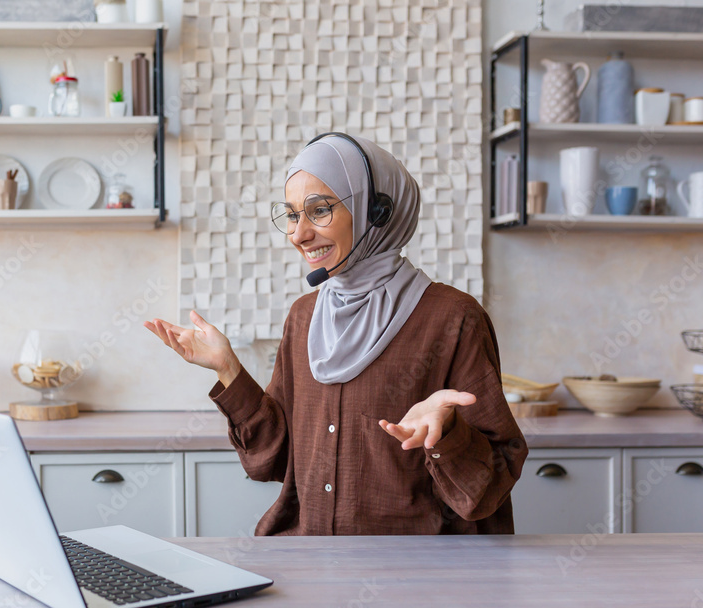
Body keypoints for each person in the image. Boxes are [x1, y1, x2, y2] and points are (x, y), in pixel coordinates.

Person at [145, 133, 527, 536]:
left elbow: (491, 487)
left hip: (418, 574)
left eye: (319, 210)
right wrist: (228, 370)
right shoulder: (304, 316)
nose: (299, 234)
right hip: (311, 559)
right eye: (292, 215)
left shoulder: (454, 318)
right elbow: (274, 459)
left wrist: (447, 433)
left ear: (376, 212)